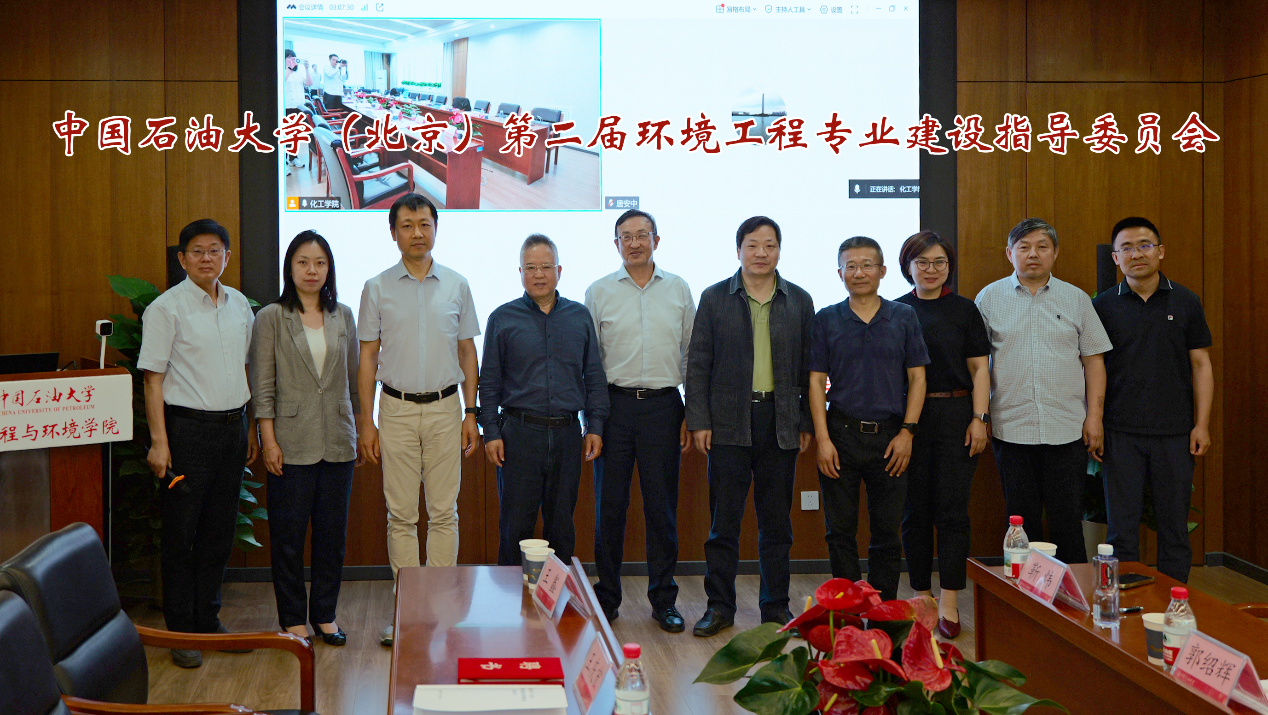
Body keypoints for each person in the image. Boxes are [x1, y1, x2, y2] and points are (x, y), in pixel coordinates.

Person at [357, 193, 480, 647]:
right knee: (402, 515)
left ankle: (440, 611)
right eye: (407, 225)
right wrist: (366, 421)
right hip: (396, 409)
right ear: (393, 233)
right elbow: (368, 357)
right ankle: (408, 612)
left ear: (435, 228)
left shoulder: (458, 284)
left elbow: (467, 351)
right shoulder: (376, 287)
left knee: (444, 512)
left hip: (448, 409)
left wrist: (471, 412)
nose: (417, 233)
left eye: (424, 224)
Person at [685, 216, 815, 637]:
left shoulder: (799, 300)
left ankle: (775, 606)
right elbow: (698, 364)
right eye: (753, 245)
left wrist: (806, 421)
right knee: (723, 523)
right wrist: (699, 420)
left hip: (780, 421)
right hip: (728, 422)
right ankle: (719, 606)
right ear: (738, 249)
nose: (761, 253)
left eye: (770, 245)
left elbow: (810, 367)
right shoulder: (715, 297)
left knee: (776, 523)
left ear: (779, 250)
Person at [137, 218, 258, 669]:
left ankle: (208, 621)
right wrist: (159, 443)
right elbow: (153, 380)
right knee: (181, 536)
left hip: (232, 429)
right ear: (182, 259)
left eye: (214, 250)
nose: (207, 258)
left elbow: (243, 369)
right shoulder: (166, 309)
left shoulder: (239, 304)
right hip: (187, 432)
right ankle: (181, 632)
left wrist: (249, 426)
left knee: (219, 534)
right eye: (197, 251)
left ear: (227, 256)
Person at [975, 218, 1112, 565]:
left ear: (1055, 253)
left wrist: (1094, 418)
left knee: (1067, 522)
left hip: (1066, 429)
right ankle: (1024, 593)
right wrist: (982, 415)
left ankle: (1073, 596)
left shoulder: (1076, 299)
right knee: (1021, 523)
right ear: (1010, 253)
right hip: (1011, 429)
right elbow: (977, 365)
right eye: (1024, 247)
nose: (1033, 254)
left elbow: (1094, 362)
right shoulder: (989, 298)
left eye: (1042, 247)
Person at [584, 209, 695, 632]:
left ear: (656, 240)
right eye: (626, 237)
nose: (634, 243)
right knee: (609, 508)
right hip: (614, 409)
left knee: (661, 509)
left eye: (642, 235)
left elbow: (691, 355)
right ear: (616, 244)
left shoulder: (679, 288)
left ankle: (664, 600)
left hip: (664, 409)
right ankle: (607, 597)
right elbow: (591, 363)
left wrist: (692, 412)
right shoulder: (599, 292)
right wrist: (593, 421)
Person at [250, 231, 360, 646]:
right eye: (303, 262)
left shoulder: (343, 315)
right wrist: (269, 441)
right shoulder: (272, 317)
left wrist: (359, 429)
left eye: (320, 263)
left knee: (332, 537)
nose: (312, 270)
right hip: (290, 442)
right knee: (289, 537)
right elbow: (263, 386)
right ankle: (293, 618)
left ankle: (325, 615)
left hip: (338, 440)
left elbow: (353, 381)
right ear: (290, 267)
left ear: (329, 268)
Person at [809, 236, 928, 604]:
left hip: (891, 437)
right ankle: (845, 610)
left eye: (867, 265)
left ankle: (883, 610)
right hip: (840, 435)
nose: (859, 272)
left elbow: (918, 378)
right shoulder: (827, 318)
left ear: (882, 271)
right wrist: (823, 440)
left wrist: (907, 433)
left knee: (887, 533)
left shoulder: (903, 316)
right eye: (851, 266)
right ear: (840, 273)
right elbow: (815, 381)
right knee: (839, 532)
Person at [1093, 217, 1213, 583]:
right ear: (1116, 258)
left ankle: (1173, 604)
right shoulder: (1102, 306)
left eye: (1144, 245)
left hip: (1175, 433)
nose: (1137, 254)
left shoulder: (1186, 301)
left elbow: (1201, 365)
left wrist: (1202, 424)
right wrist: (1094, 421)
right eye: (1127, 248)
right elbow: (1093, 369)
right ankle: (1121, 606)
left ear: (1160, 251)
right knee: (1121, 529)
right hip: (1120, 433)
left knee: (1174, 528)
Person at [480, 234, 610, 569]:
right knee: (515, 526)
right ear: (520, 272)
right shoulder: (502, 318)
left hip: (567, 435)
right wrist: (491, 432)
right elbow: (489, 382)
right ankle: (512, 599)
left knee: (562, 526)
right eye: (531, 267)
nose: (539, 274)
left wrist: (594, 425)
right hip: (519, 435)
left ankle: (558, 598)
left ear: (559, 271)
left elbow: (594, 376)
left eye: (546, 267)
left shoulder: (579, 316)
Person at [894, 231, 990, 636]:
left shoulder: (964, 310)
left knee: (953, 512)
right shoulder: (895, 311)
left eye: (939, 262)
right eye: (922, 262)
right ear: (908, 266)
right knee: (914, 512)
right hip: (908, 421)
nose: (931, 270)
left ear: (949, 267)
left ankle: (949, 600)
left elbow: (980, 369)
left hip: (956, 415)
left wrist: (980, 418)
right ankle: (922, 596)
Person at [282, 50, 313, 170]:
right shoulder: (282, 71)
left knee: (295, 135)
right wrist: (289, 68)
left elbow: (309, 83)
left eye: (293, 57)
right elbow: (281, 81)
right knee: (285, 136)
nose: (292, 59)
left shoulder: (298, 73)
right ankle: (283, 163)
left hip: (298, 108)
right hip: (286, 108)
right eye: (289, 57)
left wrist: (306, 69)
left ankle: (293, 158)